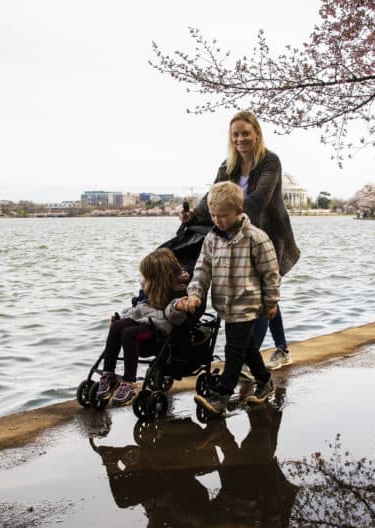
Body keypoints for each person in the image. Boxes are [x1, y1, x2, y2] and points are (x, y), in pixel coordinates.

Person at [180, 110, 299, 370]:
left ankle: (248, 358)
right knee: (265, 298)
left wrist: (227, 209)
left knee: (266, 296)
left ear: (256, 133)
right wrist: (194, 215)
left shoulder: (270, 162)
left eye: (246, 133)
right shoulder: (228, 166)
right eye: (236, 134)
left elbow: (258, 200)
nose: (241, 138)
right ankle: (282, 349)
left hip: (269, 235)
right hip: (239, 235)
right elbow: (213, 196)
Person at [178, 181, 280, 415]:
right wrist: (194, 294)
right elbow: (202, 270)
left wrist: (271, 301)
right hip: (225, 303)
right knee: (246, 348)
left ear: (238, 211)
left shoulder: (256, 238)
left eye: (222, 216)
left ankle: (221, 397)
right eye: (213, 215)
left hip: (247, 303)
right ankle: (265, 380)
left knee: (233, 350)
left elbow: (270, 273)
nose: (217, 220)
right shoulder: (212, 239)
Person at [96, 248, 188, 407]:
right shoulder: (148, 288)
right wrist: (123, 317)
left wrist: (178, 306)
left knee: (128, 333)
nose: (144, 280)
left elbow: (174, 317)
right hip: (144, 319)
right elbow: (139, 309)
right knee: (117, 326)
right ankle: (108, 374)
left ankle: (129, 382)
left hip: (159, 328)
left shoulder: (177, 291)